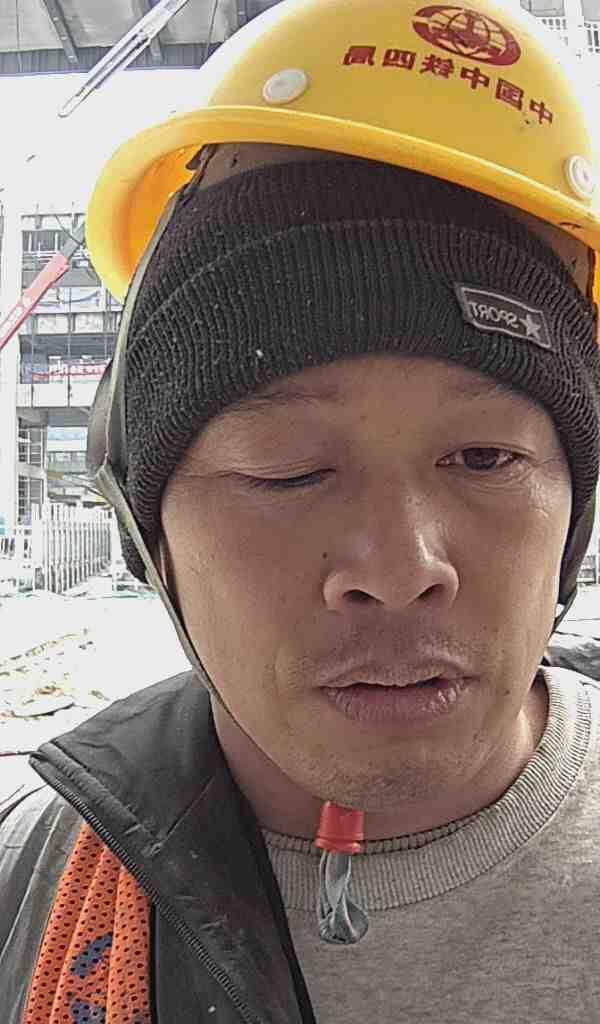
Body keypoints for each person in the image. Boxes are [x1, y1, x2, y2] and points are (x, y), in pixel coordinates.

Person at [2, 0, 600, 1020]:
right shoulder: (28, 885)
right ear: (149, 535)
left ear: (572, 515)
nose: (400, 567)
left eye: (485, 457)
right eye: (286, 472)